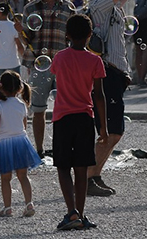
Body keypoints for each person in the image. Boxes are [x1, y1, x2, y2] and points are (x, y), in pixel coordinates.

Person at [86, 0, 147, 197]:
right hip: (106, 75)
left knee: (112, 133)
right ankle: (90, 177)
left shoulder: (112, 7)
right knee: (111, 133)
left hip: (115, 75)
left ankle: (94, 176)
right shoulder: (99, 6)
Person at [50, 14, 107, 230]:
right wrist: (103, 127)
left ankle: (71, 212)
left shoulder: (60, 58)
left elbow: (55, 73)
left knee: (63, 167)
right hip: (86, 117)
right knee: (81, 169)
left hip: (62, 118)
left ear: (67, 35)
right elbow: (99, 96)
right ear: (90, 35)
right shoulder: (95, 61)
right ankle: (81, 215)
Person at [16, 0, 74, 158]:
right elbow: (27, 39)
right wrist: (20, 31)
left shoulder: (68, 7)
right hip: (38, 64)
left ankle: (62, 148)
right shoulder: (30, 8)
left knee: (64, 109)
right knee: (38, 109)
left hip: (63, 64)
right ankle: (39, 150)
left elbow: (73, 37)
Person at [0, 70, 40, 218]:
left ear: (1, 87)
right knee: (23, 176)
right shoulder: (22, 105)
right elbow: (24, 125)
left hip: (5, 144)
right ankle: (29, 204)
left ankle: (8, 208)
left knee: (6, 178)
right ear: (20, 88)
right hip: (21, 142)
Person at [0, 4, 23, 80]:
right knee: (15, 89)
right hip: (13, 63)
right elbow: (19, 45)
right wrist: (26, 60)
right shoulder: (14, 26)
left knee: (1, 89)